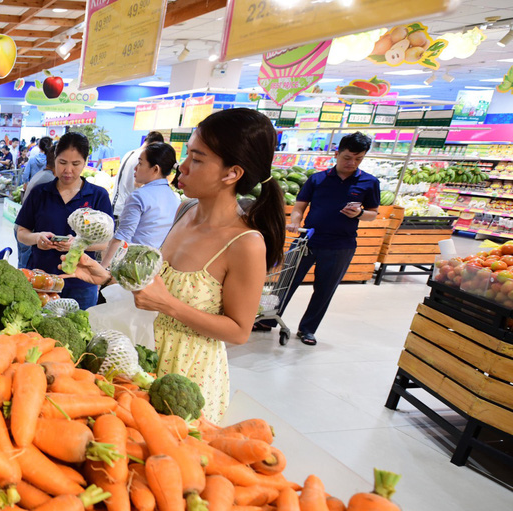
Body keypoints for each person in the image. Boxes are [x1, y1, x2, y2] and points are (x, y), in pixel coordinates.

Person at [68, 108, 287, 424]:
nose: (181, 167)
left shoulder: (245, 243)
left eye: (197, 159)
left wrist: (169, 306)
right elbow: (159, 288)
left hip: (187, 375)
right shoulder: (185, 210)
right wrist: (107, 278)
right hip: (143, 353)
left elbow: (239, 331)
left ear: (232, 173)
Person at [260, 131, 381, 345]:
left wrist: (360, 214)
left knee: (325, 289)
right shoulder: (317, 179)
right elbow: (299, 207)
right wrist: (296, 222)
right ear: (336, 154)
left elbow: (373, 213)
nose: (352, 162)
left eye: (358, 159)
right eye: (347, 157)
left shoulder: (369, 182)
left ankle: (307, 329)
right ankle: (268, 320)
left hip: (341, 245)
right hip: (307, 240)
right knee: (286, 282)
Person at [15, 132, 113, 309]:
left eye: (76, 164)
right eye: (62, 163)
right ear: (55, 159)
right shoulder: (39, 193)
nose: (68, 170)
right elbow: (22, 233)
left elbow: (104, 243)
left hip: (81, 283)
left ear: (85, 162)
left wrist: (77, 244)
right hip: (41, 281)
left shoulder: (98, 196)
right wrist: (37, 238)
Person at [104, 142, 180, 250]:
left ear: (155, 169)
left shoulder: (138, 196)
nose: (135, 168)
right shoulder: (175, 198)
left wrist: (104, 265)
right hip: (158, 262)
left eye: (140, 163)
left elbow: (122, 237)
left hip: (133, 262)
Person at [17, 146, 56, 269]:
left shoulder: (41, 174)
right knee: (25, 269)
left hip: (22, 226)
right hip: (29, 230)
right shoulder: (49, 181)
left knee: (23, 265)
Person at [112, 131, 164, 218]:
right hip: (127, 208)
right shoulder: (143, 158)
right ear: (155, 144)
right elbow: (138, 184)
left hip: (117, 205)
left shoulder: (129, 153)